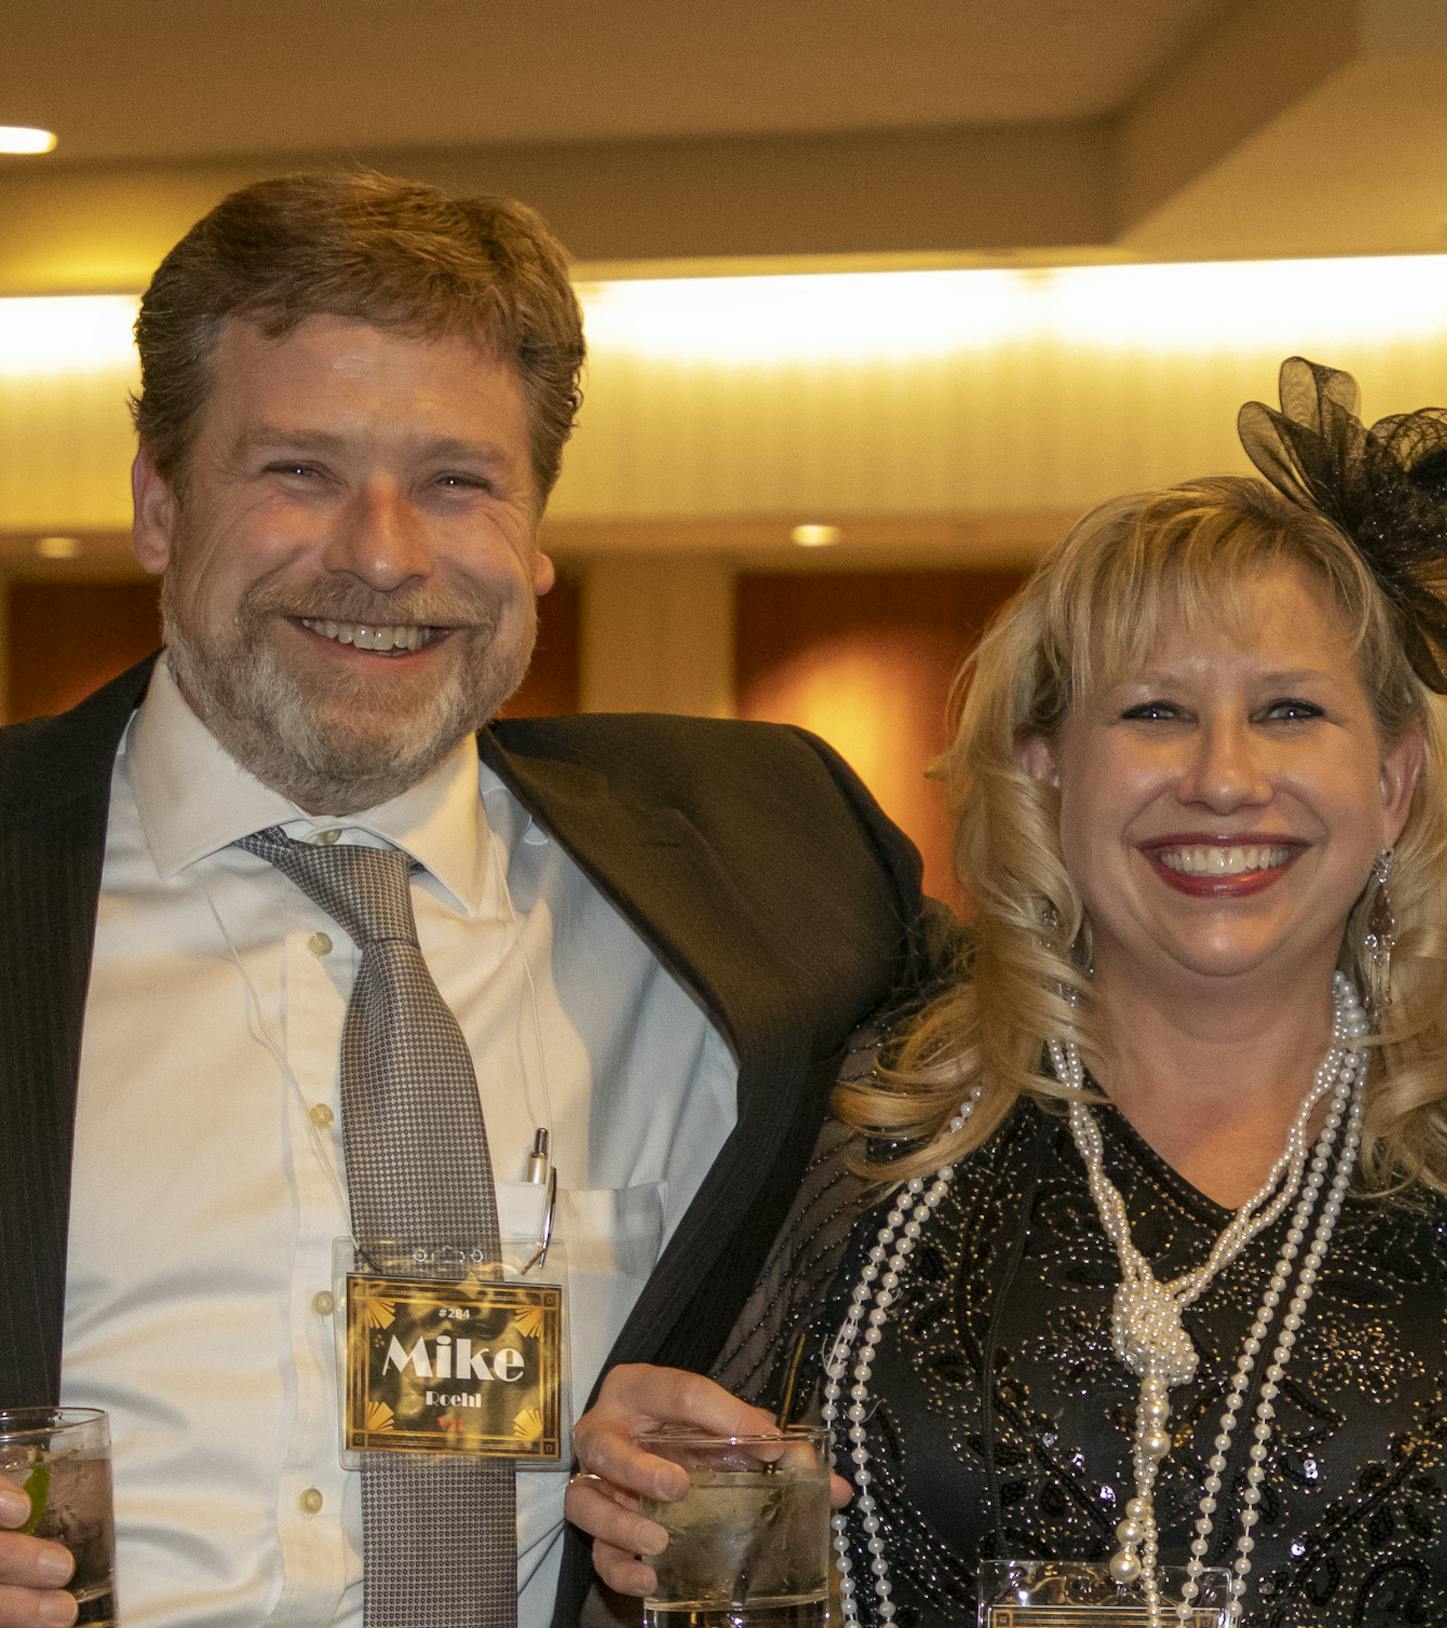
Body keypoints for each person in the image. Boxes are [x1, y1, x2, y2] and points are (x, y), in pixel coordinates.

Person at [0, 173, 927, 1628]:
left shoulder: (773, 858)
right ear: (159, 504)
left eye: (456, 482)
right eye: (298, 470)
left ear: (538, 530)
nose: (383, 553)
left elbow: (1116, 1029)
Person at [563, 361, 1447, 1626]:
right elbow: (709, 1551)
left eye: (1290, 709)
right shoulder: (879, 1130)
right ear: (1046, 766)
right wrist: (642, 1507)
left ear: (1392, 781)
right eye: (1155, 710)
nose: (1222, 777)